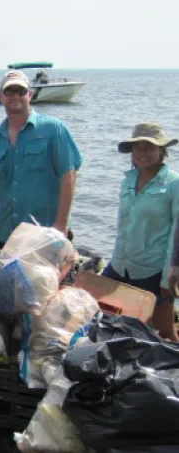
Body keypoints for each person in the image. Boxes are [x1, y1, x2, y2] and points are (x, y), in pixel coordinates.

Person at [0, 70, 82, 247]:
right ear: (0, 97)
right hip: (5, 237)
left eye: (21, 91)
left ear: (30, 95)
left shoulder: (53, 129)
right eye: (9, 92)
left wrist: (61, 225)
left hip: (46, 236)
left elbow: (68, 175)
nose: (15, 96)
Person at [103, 122, 179, 342]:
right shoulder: (128, 179)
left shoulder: (174, 184)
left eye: (149, 147)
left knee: (165, 331)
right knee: (103, 318)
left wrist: (167, 279)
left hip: (153, 271)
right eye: (138, 147)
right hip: (120, 265)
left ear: (161, 151)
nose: (143, 152)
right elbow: (123, 226)